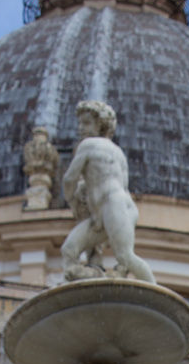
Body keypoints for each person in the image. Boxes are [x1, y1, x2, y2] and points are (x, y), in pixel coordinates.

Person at [61, 100, 156, 283]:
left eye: (87, 123)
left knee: (125, 255)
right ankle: (89, 280)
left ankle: (157, 295)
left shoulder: (87, 144)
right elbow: (122, 185)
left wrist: (71, 200)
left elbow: (69, 179)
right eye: (80, 123)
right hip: (114, 211)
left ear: (101, 125)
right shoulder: (119, 153)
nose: (81, 128)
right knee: (69, 249)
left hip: (113, 206)